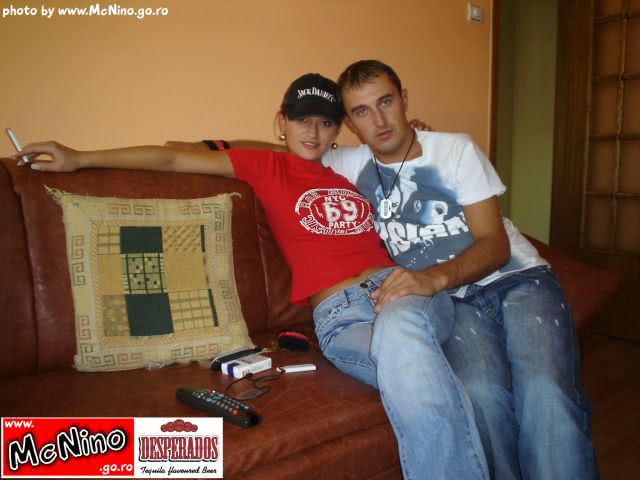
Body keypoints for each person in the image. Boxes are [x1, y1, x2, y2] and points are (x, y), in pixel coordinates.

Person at [15, 73, 489, 480]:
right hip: (341, 315)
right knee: (427, 372)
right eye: (301, 119)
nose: (313, 131)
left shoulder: (352, 170)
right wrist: (79, 157)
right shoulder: (265, 165)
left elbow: (404, 156)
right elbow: (172, 159)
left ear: (338, 130)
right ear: (281, 122)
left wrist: (418, 137)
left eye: (326, 122)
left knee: (409, 342)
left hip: (403, 290)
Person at [320, 60, 597, 480]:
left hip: (516, 280)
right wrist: (219, 143)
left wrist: (431, 278)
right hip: (454, 302)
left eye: (386, 102)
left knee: (546, 394)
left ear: (404, 99)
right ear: (350, 124)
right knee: (480, 398)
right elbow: (283, 152)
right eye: (362, 111)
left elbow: (495, 245)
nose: (378, 120)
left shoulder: (455, 150)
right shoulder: (348, 164)